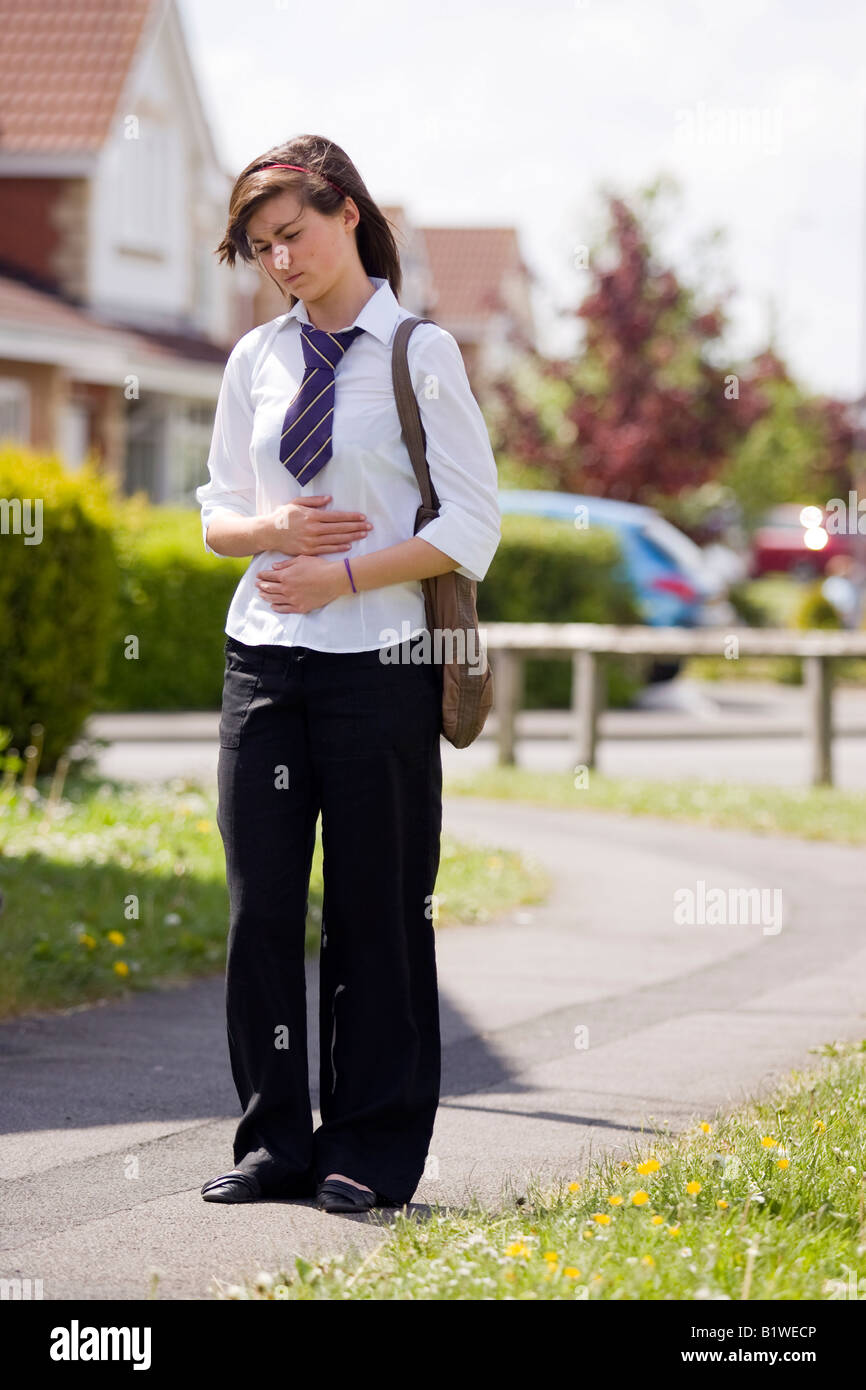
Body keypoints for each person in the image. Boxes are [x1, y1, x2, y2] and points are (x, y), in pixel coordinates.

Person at [195, 134, 501, 1214]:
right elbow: (215, 513)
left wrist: (343, 575)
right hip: (263, 664)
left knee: (377, 912)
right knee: (260, 912)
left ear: (348, 216)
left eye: (293, 234)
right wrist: (271, 530)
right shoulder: (255, 358)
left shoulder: (420, 352)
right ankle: (275, 1141)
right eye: (261, 248)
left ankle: (367, 1149)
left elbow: (472, 525)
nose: (281, 261)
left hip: (381, 665)